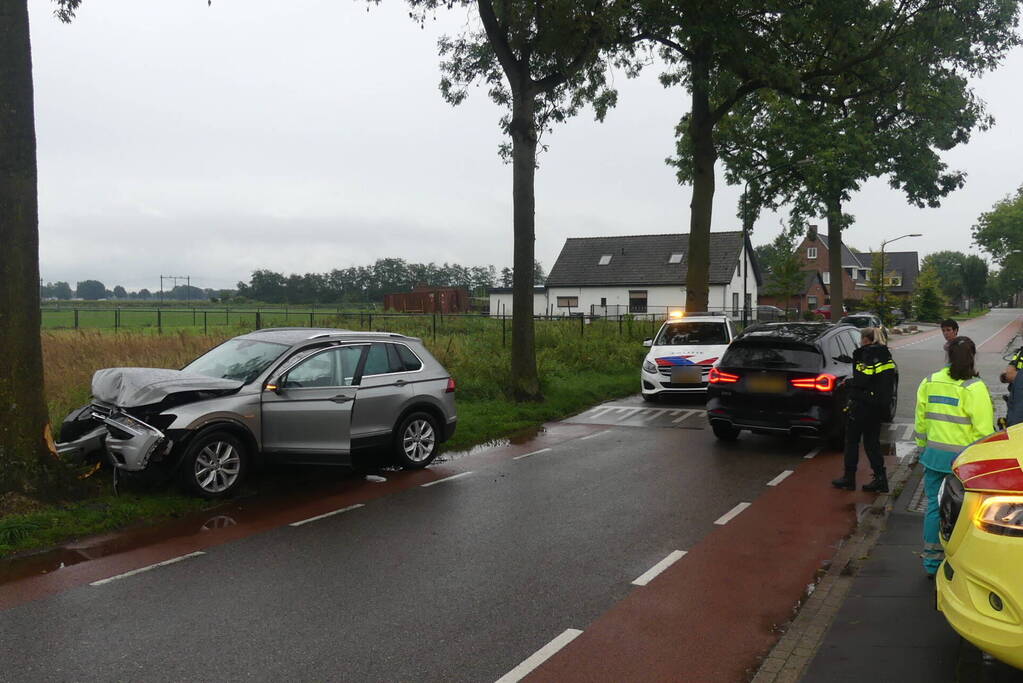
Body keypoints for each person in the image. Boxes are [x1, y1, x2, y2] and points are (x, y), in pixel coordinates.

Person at [914, 336, 994, 577]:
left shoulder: (929, 382)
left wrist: (922, 448)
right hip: (963, 465)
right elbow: (983, 432)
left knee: (934, 507)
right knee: (965, 513)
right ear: (972, 356)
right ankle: (958, 561)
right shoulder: (974, 388)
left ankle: (931, 561)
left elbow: (921, 421)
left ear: (948, 356)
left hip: (934, 458)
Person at [832, 327, 897, 493]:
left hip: (862, 405)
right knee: (871, 443)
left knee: (852, 441)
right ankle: (880, 479)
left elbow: (863, 380)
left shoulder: (865, 354)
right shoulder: (885, 355)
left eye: (861, 339)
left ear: (866, 339)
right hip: (877, 407)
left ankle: (849, 478)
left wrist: (849, 384)